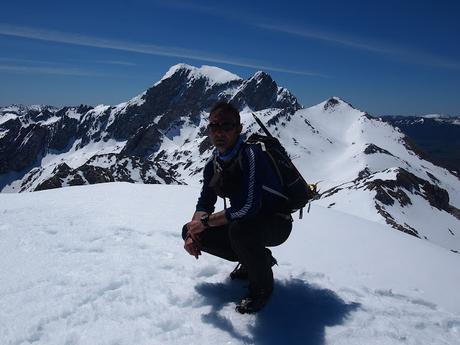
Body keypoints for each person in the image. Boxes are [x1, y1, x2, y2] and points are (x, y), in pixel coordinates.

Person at [182, 101, 292, 314]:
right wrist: (193, 231)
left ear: (239, 129)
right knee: (190, 229)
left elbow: (248, 208)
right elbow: (205, 202)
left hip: (277, 223)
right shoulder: (213, 164)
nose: (219, 132)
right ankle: (258, 261)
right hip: (246, 224)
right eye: (214, 126)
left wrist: (205, 223)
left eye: (227, 126)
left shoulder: (251, 156)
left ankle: (262, 288)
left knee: (240, 229)